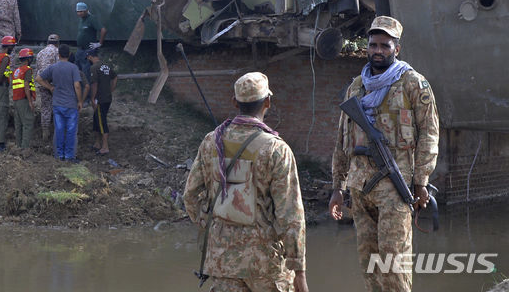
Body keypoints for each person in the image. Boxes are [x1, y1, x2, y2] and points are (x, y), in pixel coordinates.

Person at [329, 16, 439, 292]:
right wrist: (337, 187)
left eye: (385, 46)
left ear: (396, 49)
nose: (378, 50)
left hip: (394, 188)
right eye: (373, 44)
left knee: (394, 265)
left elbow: (429, 133)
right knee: (370, 265)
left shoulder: (413, 84)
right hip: (360, 189)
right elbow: (343, 139)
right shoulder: (357, 86)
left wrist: (421, 181)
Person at [183, 72, 308, 292]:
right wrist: (299, 271)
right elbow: (290, 214)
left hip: (222, 260)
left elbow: (190, 195)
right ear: (268, 102)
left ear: (234, 102)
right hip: (265, 263)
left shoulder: (211, 141)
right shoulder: (276, 149)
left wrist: (212, 227)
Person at [35, 44, 83, 162]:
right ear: (70, 54)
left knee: (59, 129)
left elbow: (38, 78)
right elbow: (77, 86)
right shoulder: (73, 68)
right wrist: (80, 100)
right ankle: (69, 156)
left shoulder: (53, 67)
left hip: (57, 104)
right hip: (71, 104)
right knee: (71, 130)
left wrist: (50, 87)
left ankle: (58, 156)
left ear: (59, 54)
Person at [86, 48, 117, 155]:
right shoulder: (106, 66)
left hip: (100, 99)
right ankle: (97, 143)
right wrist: (111, 90)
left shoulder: (94, 68)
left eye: (88, 57)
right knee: (97, 120)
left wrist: (92, 98)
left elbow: (94, 84)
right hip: (107, 97)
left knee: (102, 121)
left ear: (90, 57)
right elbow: (115, 77)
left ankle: (105, 147)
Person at [34, 33, 60, 141]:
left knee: (45, 107)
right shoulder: (57, 52)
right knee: (57, 107)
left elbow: (37, 69)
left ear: (48, 42)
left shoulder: (40, 53)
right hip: (53, 84)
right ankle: (56, 131)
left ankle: (45, 131)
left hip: (41, 83)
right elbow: (59, 68)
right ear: (57, 43)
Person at [12, 48, 36, 149]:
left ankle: (18, 146)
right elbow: (26, 86)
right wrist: (30, 102)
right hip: (23, 99)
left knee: (18, 124)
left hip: (16, 99)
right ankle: (25, 148)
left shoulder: (17, 70)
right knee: (28, 123)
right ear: (28, 59)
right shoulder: (27, 70)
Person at [74, 2, 106, 78]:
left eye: (81, 11)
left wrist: (99, 43)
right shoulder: (81, 19)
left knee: (86, 72)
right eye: (78, 11)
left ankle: (88, 89)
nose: (79, 13)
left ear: (86, 10)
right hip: (80, 50)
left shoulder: (92, 19)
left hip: (88, 50)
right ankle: (80, 89)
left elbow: (103, 30)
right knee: (77, 71)